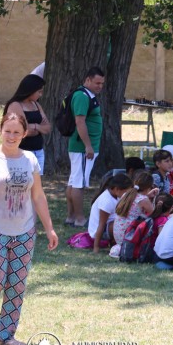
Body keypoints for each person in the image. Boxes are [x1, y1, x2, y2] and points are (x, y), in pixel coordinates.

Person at [0, 113, 59, 345]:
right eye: (7, 131)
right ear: (0, 131)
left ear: (24, 134)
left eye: (16, 132)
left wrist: (49, 228)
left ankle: (7, 335)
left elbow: (38, 196)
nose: (11, 136)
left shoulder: (30, 159)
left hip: (24, 232)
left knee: (16, 285)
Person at [65, 67, 105, 228]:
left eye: (102, 83)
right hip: (82, 148)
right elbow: (80, 122)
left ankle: (71, 216)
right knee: (79, 184)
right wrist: (88, 146)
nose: (100, 86)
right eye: (97, 83)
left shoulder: (88, 95)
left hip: (82, 147)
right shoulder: (82, 96)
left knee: (74, 181)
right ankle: (80, 218)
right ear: (87, 80)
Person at [3, 74, 51, 174]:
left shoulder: (36, 105)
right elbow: (24, 131)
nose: (41, 94)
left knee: (37, 182)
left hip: (38, 152)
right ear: (31, 90)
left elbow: (47, 128)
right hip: (22, 152)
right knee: (22, 181)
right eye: (39, 91)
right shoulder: (16, 105)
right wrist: (38, 127)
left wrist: (36, 126)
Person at [111, 171, 157, 258]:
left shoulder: (126, 195)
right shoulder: (144, 200)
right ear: (149, 187)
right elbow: (155, 214)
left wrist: (148, 195)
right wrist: (155, 200)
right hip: (130, 237)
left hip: (119, 237)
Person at [89, 173, 133, 253]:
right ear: (117, 189)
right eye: (126, 192)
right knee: (124, 223)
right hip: (101, 232)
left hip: (109, 226)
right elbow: (101, 225)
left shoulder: (116, 196)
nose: (127, 195)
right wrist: (96, 247)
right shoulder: (107, 201)